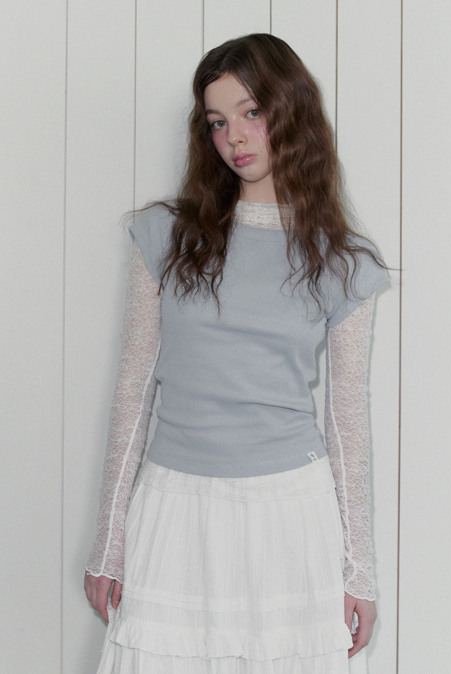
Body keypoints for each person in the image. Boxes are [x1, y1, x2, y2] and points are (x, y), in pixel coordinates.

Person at [84, 32, 392, 674]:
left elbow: (346, 420)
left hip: (290, 513)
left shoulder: (342, 263)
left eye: (251, 112)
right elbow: (133, 389)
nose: (235, 138)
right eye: (218, 121)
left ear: (291, 110)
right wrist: (109, 542)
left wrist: (358, 569)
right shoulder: (166, 236)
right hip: (174, 505)